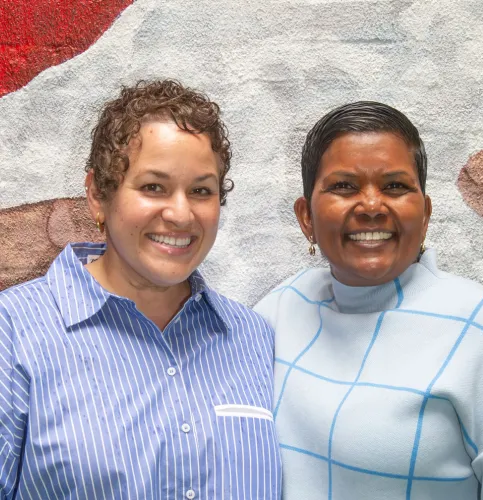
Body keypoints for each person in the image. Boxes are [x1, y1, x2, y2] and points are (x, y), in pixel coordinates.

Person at [0, 80, 282, 499]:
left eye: (201, 191)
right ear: (98, 194)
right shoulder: (15, 332)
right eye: (154, 187)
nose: (181, 213)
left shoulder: (252, 338)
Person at [254, 101, 483, 500]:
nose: (371, 206)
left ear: (425, 215)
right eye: (344, 186)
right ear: (306, 218)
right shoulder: (279, 309)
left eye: (395, 186)